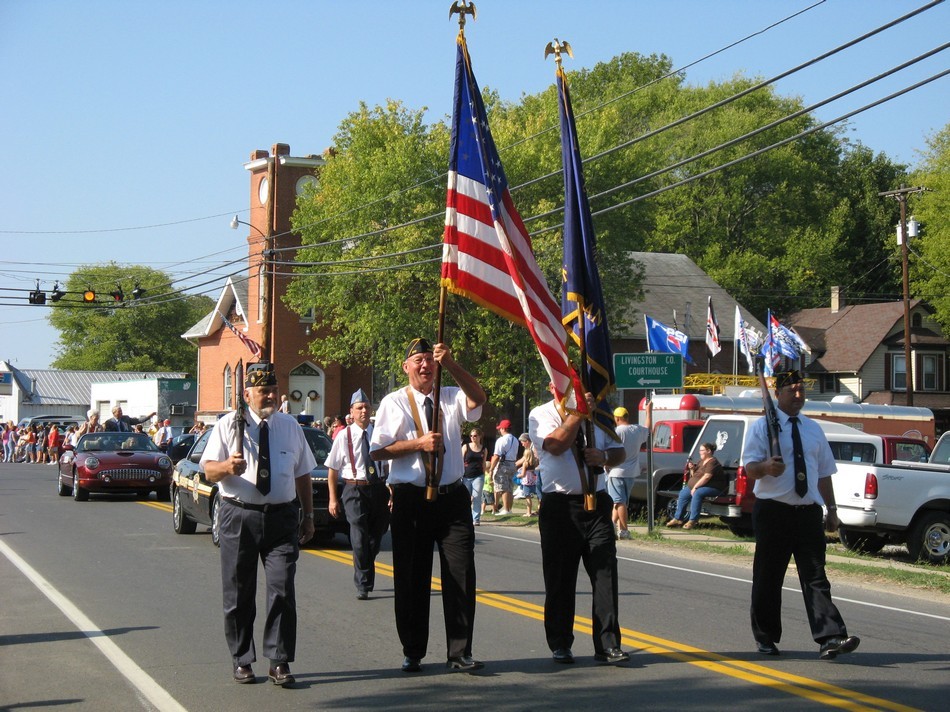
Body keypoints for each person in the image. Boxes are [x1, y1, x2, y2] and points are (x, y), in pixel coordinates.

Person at [370, 337, 487, 674]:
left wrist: (451, 363)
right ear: (406, 367)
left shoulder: (450, 396)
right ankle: (413, 649)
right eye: (418, 361)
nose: (425, 366)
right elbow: (377, 451)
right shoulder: (394, 403)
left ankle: (460, 652)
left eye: (429, 361)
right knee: (411, 577)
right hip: (411, 500)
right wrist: (416, 444)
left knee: (461, 575)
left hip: (452, 499)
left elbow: (479, 398)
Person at [200, 360, 316, 686]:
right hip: (239, 516)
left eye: (273, 391)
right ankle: (242, 659)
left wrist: (307, 516)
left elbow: (303, 473)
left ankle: (278, 661)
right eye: (263, 391)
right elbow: (208, 470)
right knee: (239, 593)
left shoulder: (290, 426)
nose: (270, 397)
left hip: (281, 518)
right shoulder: (227, 425)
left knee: (282, 590)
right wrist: (227, 467)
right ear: (247, 394)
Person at [743, 369, 860, 660]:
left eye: (801, 390)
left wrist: (831, 510)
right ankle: (766, 637)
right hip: (773, 512)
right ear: (778, 394)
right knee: (769, 577)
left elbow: (823, 473)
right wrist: (766, 468)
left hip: (808, 513)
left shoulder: (813, 429)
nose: (798, 395)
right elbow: (748, 469)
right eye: (792, 390)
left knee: (816, 576)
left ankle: (830, 637)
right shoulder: (761, 428)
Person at [529, 382, 629, 665]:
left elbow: (619, 451)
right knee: (560, 578)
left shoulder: (599, 415)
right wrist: (577, 413)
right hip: (561, 506)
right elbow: (555, 445)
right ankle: (561, 643)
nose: (574, 389)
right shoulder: (541, 413)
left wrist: (605, 456)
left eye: (579, 385)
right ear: (551, 386)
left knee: (605, 573)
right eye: (565, 384)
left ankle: (608, 644)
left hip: (597, 503)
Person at [327, 388, 391, 600]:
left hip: (378, 488)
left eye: (366, 407)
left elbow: (390, 464)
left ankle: (366, 565)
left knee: (377, 534)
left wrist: (391, 491)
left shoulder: (381, 434)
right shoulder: (343, 436)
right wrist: (333, 499)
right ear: (351, 412)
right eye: (359, 408)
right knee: (359, 535)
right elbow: (333, 470)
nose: (364, 411)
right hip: (354, 488)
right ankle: (363, 583)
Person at [606, 407, 649, 540]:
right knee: (619, 502)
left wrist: (606, 464)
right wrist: (649, 412)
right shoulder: (636, 430)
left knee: (619, 502)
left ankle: (624, 530)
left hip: (616, 471)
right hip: (631, 473)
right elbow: (648, 428)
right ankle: (611, 525)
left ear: (617, 418)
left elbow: (608, 450)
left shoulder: (616, 431)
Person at [666, 441, 727, 530]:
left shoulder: (712, 462)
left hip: (714, 488)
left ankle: (693, 520)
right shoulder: (701, 461)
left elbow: (707, 477)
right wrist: (691, 469)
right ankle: (678, 518)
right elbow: (694, 475)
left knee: (698, 493)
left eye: (702, 450)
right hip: (698, 486)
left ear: (708, 451)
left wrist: (695, 487)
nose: (700, 452)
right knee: (683, 493)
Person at [489, 419, 518, 516]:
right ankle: (509, 508)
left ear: (503, 429)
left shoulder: (501, 440)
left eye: (500, 429)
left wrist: (491, 469)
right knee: (510, 487)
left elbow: (496, 456)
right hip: (513, 463)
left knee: (503, 487)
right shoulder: (515, 440)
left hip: (504, 464)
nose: (499, 430)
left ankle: (506, 509)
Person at [461, 427, 488, 526]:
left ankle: (476, 519)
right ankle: (466, 517)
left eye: (475, 436)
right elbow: (460, 460)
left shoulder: (484, 449)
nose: (473, 437)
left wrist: (484, 474)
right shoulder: (466, 447)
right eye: (471, 436)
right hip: (466, 475)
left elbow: (484, 463)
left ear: (480, 436)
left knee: (477, 497)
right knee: (467, 497)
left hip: (478, 475)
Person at [515, 433, 539, 517]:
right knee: (537, 493)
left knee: (531, 495)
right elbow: (524, 459)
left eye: (522, 442)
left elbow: (532, 460)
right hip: (533, 477)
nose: (522, 444)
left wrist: (518, 474)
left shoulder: (534, 448)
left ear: (527, 441)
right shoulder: (529, 449)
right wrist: (514, 465)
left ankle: (533, 511)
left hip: (535, 474)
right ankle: (539, 509)